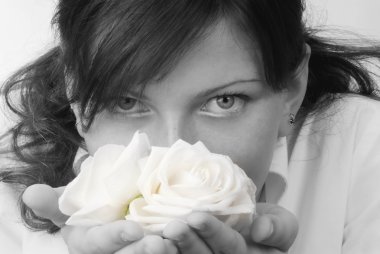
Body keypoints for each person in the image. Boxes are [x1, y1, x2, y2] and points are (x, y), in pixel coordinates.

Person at [1, 0, 380, 253]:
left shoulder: (364, 149)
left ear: (291, 91)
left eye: (224, 101)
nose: (173, 154)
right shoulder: (9, 208)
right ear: (78, 100)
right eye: (126, 102)